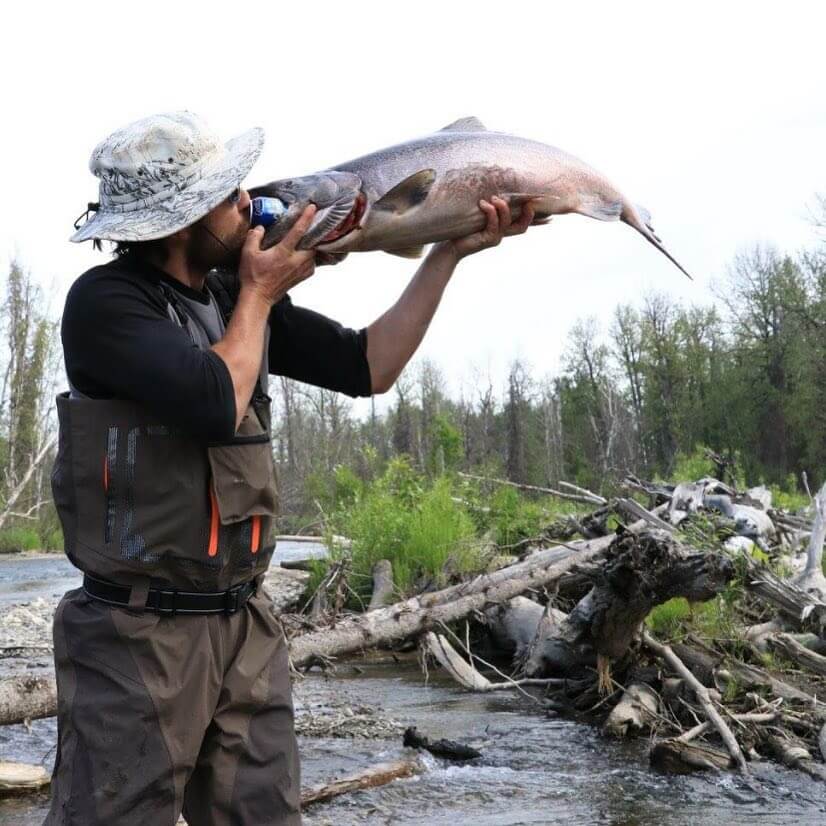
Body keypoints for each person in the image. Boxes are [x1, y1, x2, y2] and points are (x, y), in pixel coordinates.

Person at [47, 111, 534, 826]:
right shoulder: (108, 303)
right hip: (135, 635)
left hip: (243, 625)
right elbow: (214, 400)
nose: (249, 205)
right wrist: (261, 292)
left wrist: (448, 253)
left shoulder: (229, 296)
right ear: (181, 221)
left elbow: (372, 366)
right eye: (228, 196)